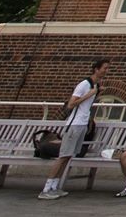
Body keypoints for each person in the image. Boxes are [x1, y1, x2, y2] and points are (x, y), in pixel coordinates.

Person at [38, 57, 108, 200]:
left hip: (82, 124)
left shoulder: (95, 85)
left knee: (68, 156)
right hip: (74, 124)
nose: (107, 71)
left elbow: (87, 105)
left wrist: (97, 93)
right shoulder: (84, 84)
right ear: (97, 69)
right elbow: (71, 105)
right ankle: (46, 188)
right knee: (63, 156)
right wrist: (89, 94)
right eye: (105, 68)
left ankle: (55, 187)